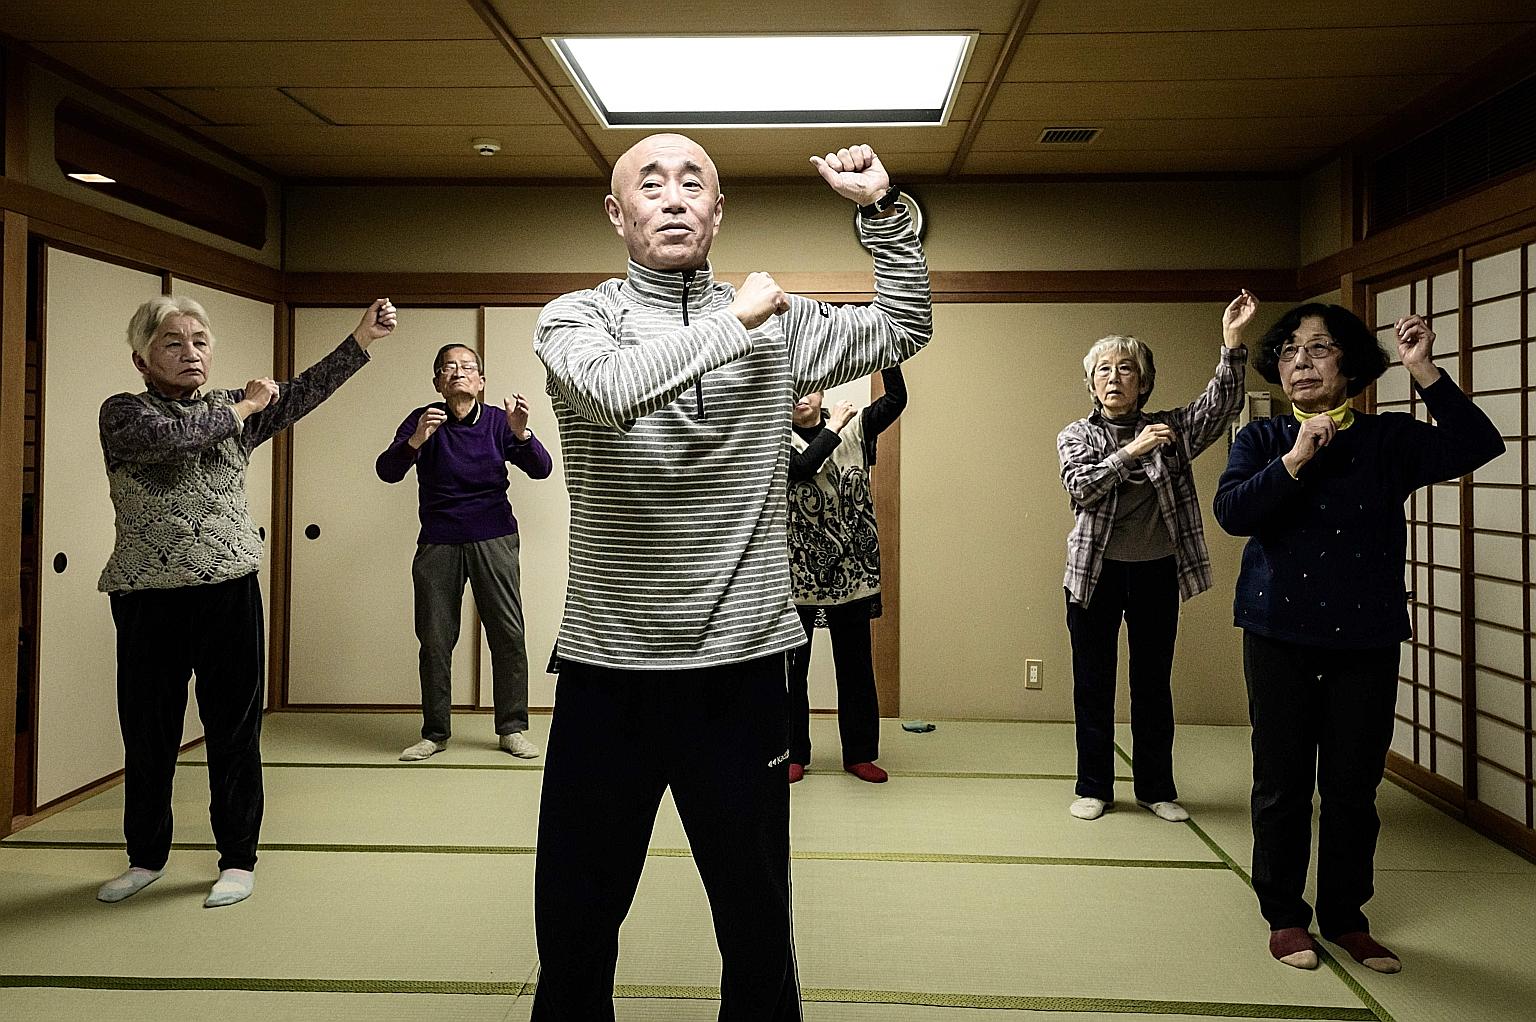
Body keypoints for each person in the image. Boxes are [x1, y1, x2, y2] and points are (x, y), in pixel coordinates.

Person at [531, 135, 931, 1020]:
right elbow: (610, 390)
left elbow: (906, 326)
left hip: (743, 671)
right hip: (609, 673)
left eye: (693, 184)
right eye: (649, 183)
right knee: (575, 933)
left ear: (718, 212)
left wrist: (880, 214)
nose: (672, 198)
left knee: (757, 933)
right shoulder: (575, 317)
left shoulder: (779, 322)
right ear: (616, 212)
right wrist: (737, 322)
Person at [1214, 305, 1503, 973]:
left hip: (1364, 637)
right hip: (1276, 632)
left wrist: (1425, 370)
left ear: (1350, 365)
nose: (1301, 361)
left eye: (1319, 349)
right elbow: (1232, 513)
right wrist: (1294, 458)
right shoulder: (1262, 440)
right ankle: (1285, 917)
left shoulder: (1388, 440)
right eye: (1288, 352)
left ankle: (1347, 918)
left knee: (1352, 787)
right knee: (1281, 783)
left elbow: (1477, 444)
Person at [96, 296, 395, 908]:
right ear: (141, 358)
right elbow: (174, 442)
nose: (190, 352)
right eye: (173, 343)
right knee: (147, 734)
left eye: (200, 341)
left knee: (233, 730)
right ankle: (145, 857)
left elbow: (306, 391)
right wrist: (250, 404)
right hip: (147, 599)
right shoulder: (125, 413)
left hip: (229, 593)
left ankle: (237, 858)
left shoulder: (232, 408)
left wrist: (360, 339)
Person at [1057, 292, 1256, 823]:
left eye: (1126, 369)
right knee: (1093, 683)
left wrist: (1231, 343)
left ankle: (1155, 788)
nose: (1114, 377)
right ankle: (1093, 786)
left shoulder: (1170, 430)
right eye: (1103, 370)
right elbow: (1082, 487)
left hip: (1156, 572)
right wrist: (1132, 451)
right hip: (1093, 575)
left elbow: (1220, 406)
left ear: (1143, 381)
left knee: (1152, 683)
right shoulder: (1077, 434)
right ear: (1091, 384)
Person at [376, 344, 552, 762]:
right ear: (438, 381)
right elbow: (387, 470)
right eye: (449, 367)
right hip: (438, 540)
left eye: (468, 367)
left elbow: (542, 468)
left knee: (508, 635)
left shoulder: (498, 421)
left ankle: (512, 727)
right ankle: (435, 732)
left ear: (481, 381)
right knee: (435, 639)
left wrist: (522, 432)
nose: (459, 373)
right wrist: (417, 439)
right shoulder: (425, 420)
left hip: (494, 537)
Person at [784, 366, 906, 784]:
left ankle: (859, 753)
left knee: (855, 667)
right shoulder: (773, 436)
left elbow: (896, 402)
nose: (803, 396)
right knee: (791, 670)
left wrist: (885, 351)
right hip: (795, 574)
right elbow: (801, 468)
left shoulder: (859, 429)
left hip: (852, 571)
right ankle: (793, 751)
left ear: (822, 392)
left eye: (810, 388)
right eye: (794, 387)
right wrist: (833, 426)